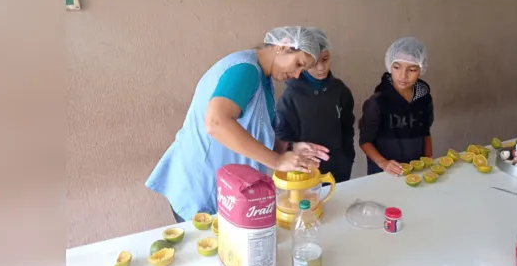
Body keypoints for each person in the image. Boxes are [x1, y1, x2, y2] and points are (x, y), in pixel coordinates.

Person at [146, 26, 330, 222]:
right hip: (202, 186)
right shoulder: (246, 70)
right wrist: (277, 162)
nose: (296, 75)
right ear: (283, 46)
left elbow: (254, 132)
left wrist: (290, 149)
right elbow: (217, 123)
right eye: (299, 63)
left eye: (302, 70)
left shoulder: (262, 79)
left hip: (222, 186)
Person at [275, 27, 355, 183]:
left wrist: (347, 159)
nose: (321, 68)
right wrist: (294, 149)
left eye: (325, 59)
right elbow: (282, 138)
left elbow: (347, 129)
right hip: (304, 171)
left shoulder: (340, 91)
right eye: (314, 63)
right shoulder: (291, 95)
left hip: (338, 170)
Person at [358, 37, 434, 176]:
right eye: (397, 67)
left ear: (421, 69)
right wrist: (383, 163)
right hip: (384, 173)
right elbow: (365, 141)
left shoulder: (424, 99)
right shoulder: (377, 102)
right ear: (389, 66)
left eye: (411, 69)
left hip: (416, 170)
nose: (403, 75)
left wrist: (428, 158)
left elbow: (425, 131)